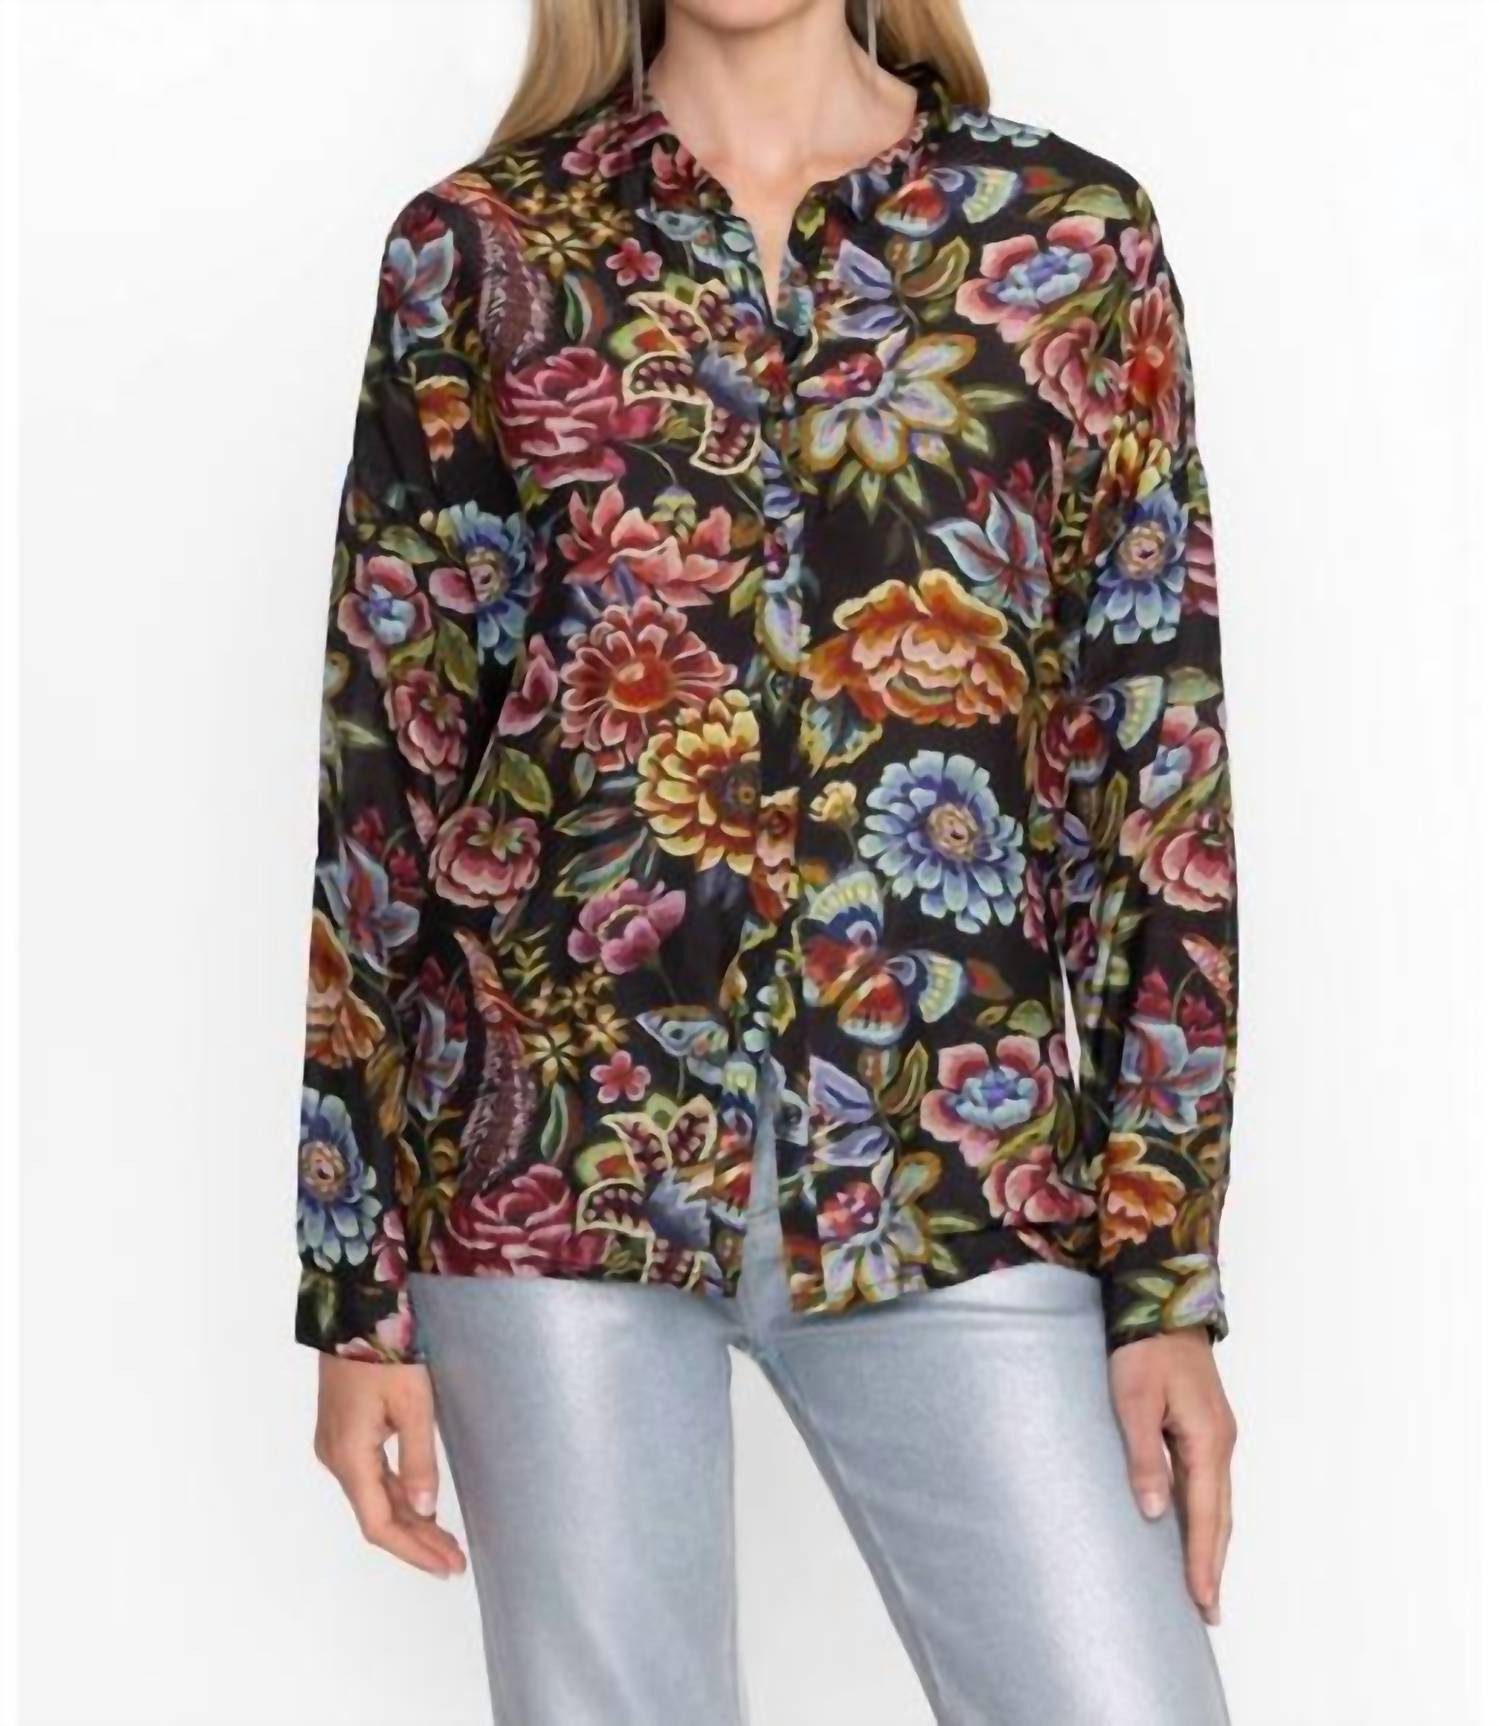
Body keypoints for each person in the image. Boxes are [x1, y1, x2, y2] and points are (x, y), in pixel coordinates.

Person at [295, 0, 1240, 1719]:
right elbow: (388, 774)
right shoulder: (482, 251)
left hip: (954, 1155)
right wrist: (352, 1286)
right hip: (549, 1163)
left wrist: (1163, 1267)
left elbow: (1152, 772)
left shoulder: (1065, 241)